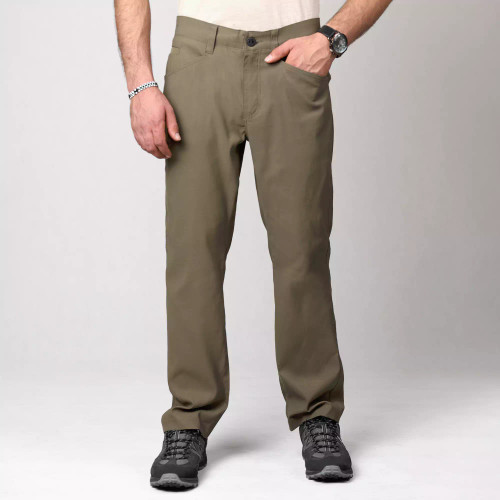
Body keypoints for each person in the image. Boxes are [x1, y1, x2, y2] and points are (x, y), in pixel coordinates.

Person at [114, 0, 392, 490]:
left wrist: (332, 39)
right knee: (192, 255)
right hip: (200, 57)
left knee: (302, 250)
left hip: (294, 55)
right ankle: (188, 419)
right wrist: (140, 85)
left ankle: (318, 413)